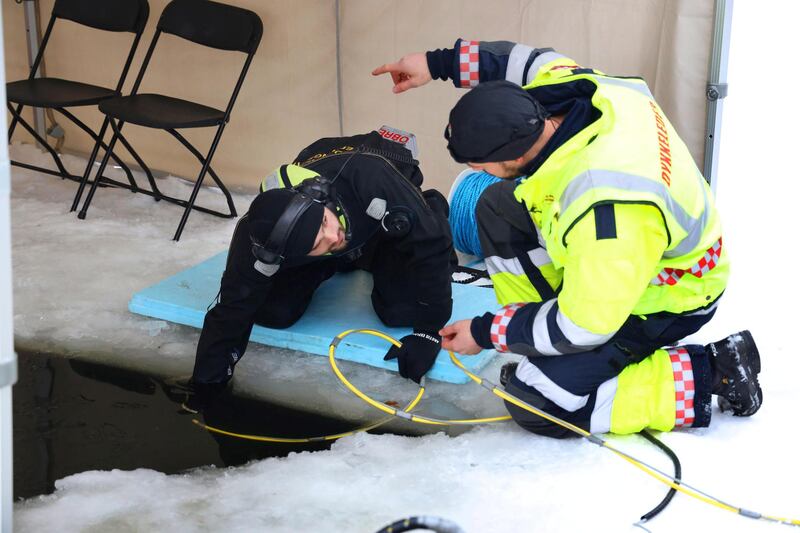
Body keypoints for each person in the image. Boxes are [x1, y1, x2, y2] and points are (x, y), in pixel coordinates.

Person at [373, 40, 762, 438]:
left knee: (537, 402)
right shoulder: (579, 91)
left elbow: (584, 324)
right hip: (623, 260)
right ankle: (543, 344)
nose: (475, 170)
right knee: (498, 206)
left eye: (477, 163)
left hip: (668, 295)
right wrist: (434, 64)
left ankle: (712, 371)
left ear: (511, 154)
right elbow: (521, 61)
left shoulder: (605, 209)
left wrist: (487, 331)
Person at [184, 131, 455, 412]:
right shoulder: (254, 242)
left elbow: (432, 243)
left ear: (320, 199)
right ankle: (340, 258)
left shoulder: (372, 177)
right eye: (320, 243)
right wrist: (206, 386)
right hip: (334, 237)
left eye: (326, 222)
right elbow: (230, 313)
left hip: (380, 217)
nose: (333, 235)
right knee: (271, 312)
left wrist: (428, 330)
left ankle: (427, 207)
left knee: (400, 312)